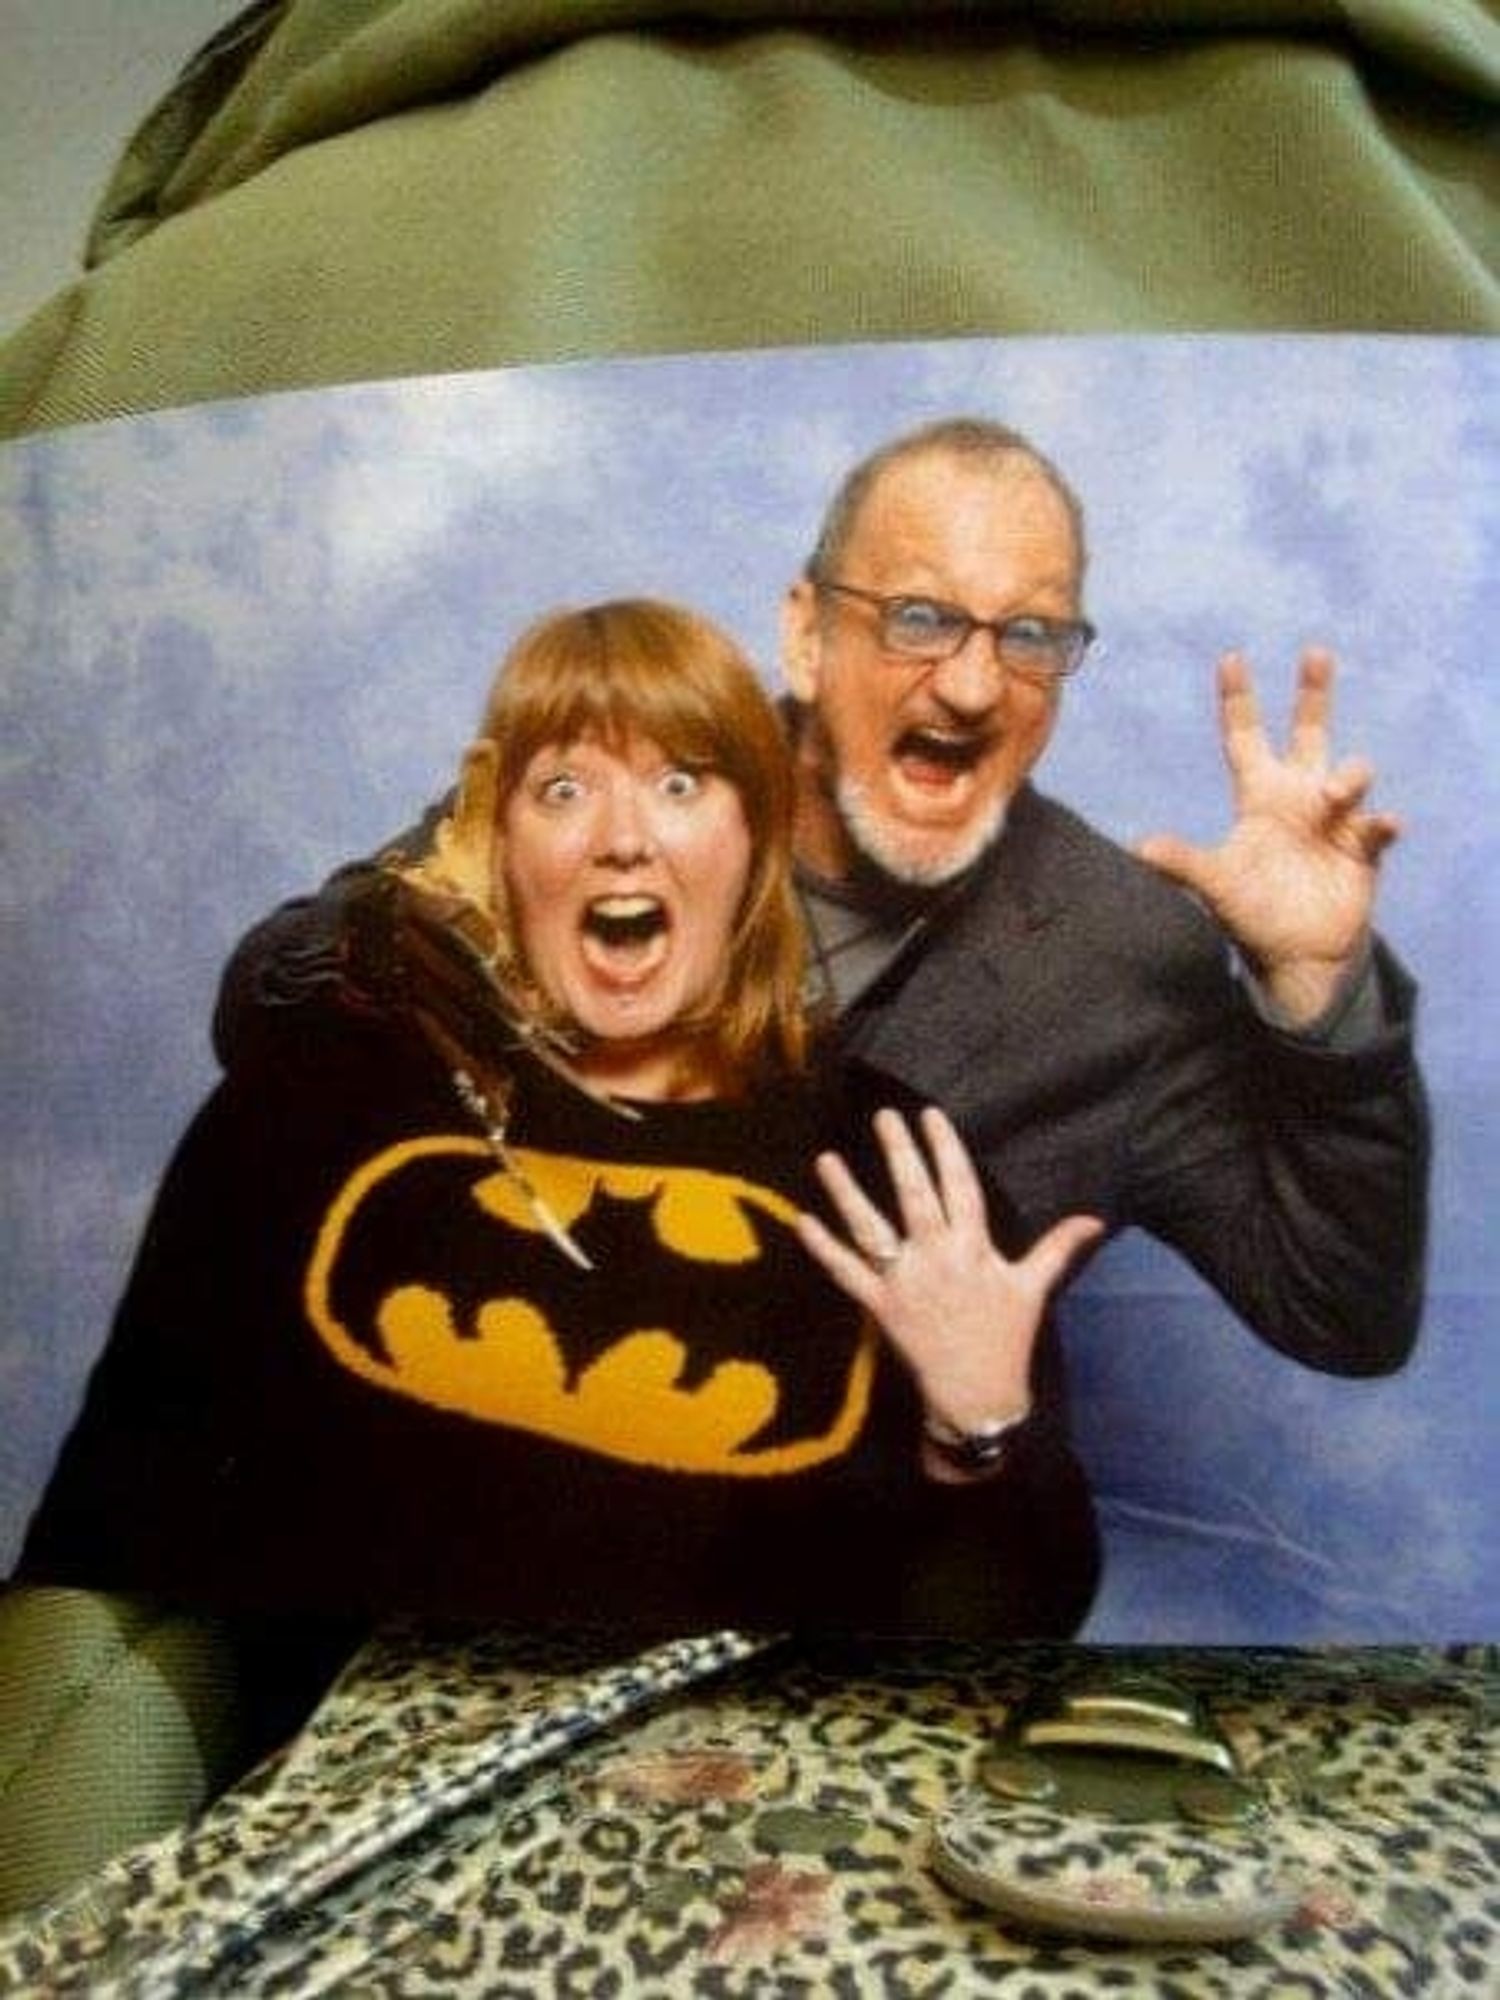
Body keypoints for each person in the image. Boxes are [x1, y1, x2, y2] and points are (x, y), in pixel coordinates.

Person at [218, 417, 1430, 1385]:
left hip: (867, 1574)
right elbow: (266, 1003)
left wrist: (1318, 987)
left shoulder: (1125, 959)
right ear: (806, 635)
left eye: (1031, 635)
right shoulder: (614, 775)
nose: (969, 683)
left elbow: (1339, 1311)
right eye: (918, 617)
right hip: (512, 1478)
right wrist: (432, 945)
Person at [18, 597, 1103, 1644]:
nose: (622, 839)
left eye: (682, 781)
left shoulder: (897, 1172)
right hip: (368, 1789)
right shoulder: (318, 1107)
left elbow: (1000, 1642)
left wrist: (976, 1432)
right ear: (498, 843)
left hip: (742, 1795)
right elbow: (103, 1539)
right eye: (565, 787)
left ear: (756, 842)